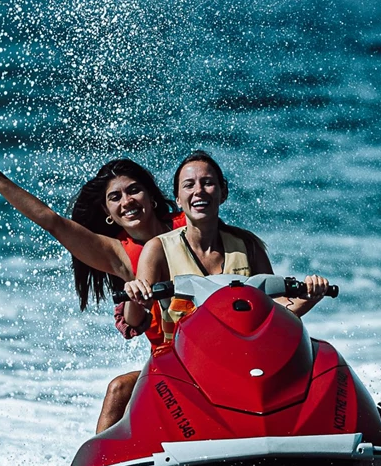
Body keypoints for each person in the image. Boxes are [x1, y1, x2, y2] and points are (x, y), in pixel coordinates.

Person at [0, 137, 181, 432]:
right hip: (171, 365)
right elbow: (52, 222)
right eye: (115, 197)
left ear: (151, 195)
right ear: (107, 213)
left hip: (217, 346)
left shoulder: (189, 227)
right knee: (119, 389)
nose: (127, 201)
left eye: (134, 190)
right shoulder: (118, 254)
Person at [121, 150, 331, 356]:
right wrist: (133, 295)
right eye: (189, 185)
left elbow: (275, 312)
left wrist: (310, 297)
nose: (199, 191)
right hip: (182, 364)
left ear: (223, 192)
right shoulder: (158, 248)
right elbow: (134, 321)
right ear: (177, 198)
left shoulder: (248, 246)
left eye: (208, 183)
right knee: (118, 389)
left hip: (241, 359)